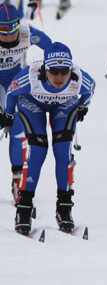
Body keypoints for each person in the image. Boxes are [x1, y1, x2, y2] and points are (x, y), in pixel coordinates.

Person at [0, 42, 95, 235]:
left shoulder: (79, 78)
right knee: (38, 150)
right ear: (45, 69)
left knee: (62, 151)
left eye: (64, 71)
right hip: (32, 103)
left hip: (64, 104)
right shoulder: (31, 76)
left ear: (70, 69)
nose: (59, 77)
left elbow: (90, 89)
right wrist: (8, 114)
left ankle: (64, 207)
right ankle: (24, 208)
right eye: (54, 72)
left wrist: (83, 106)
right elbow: (11, 92)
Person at [0, 4, 53, 201]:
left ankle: (17, 178)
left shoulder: (27, 33)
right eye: (3, 34)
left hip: (14, 80)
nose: (8, 38)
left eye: (12, 33)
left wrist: (49, 71)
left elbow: (50, 47)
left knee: (17, 128)